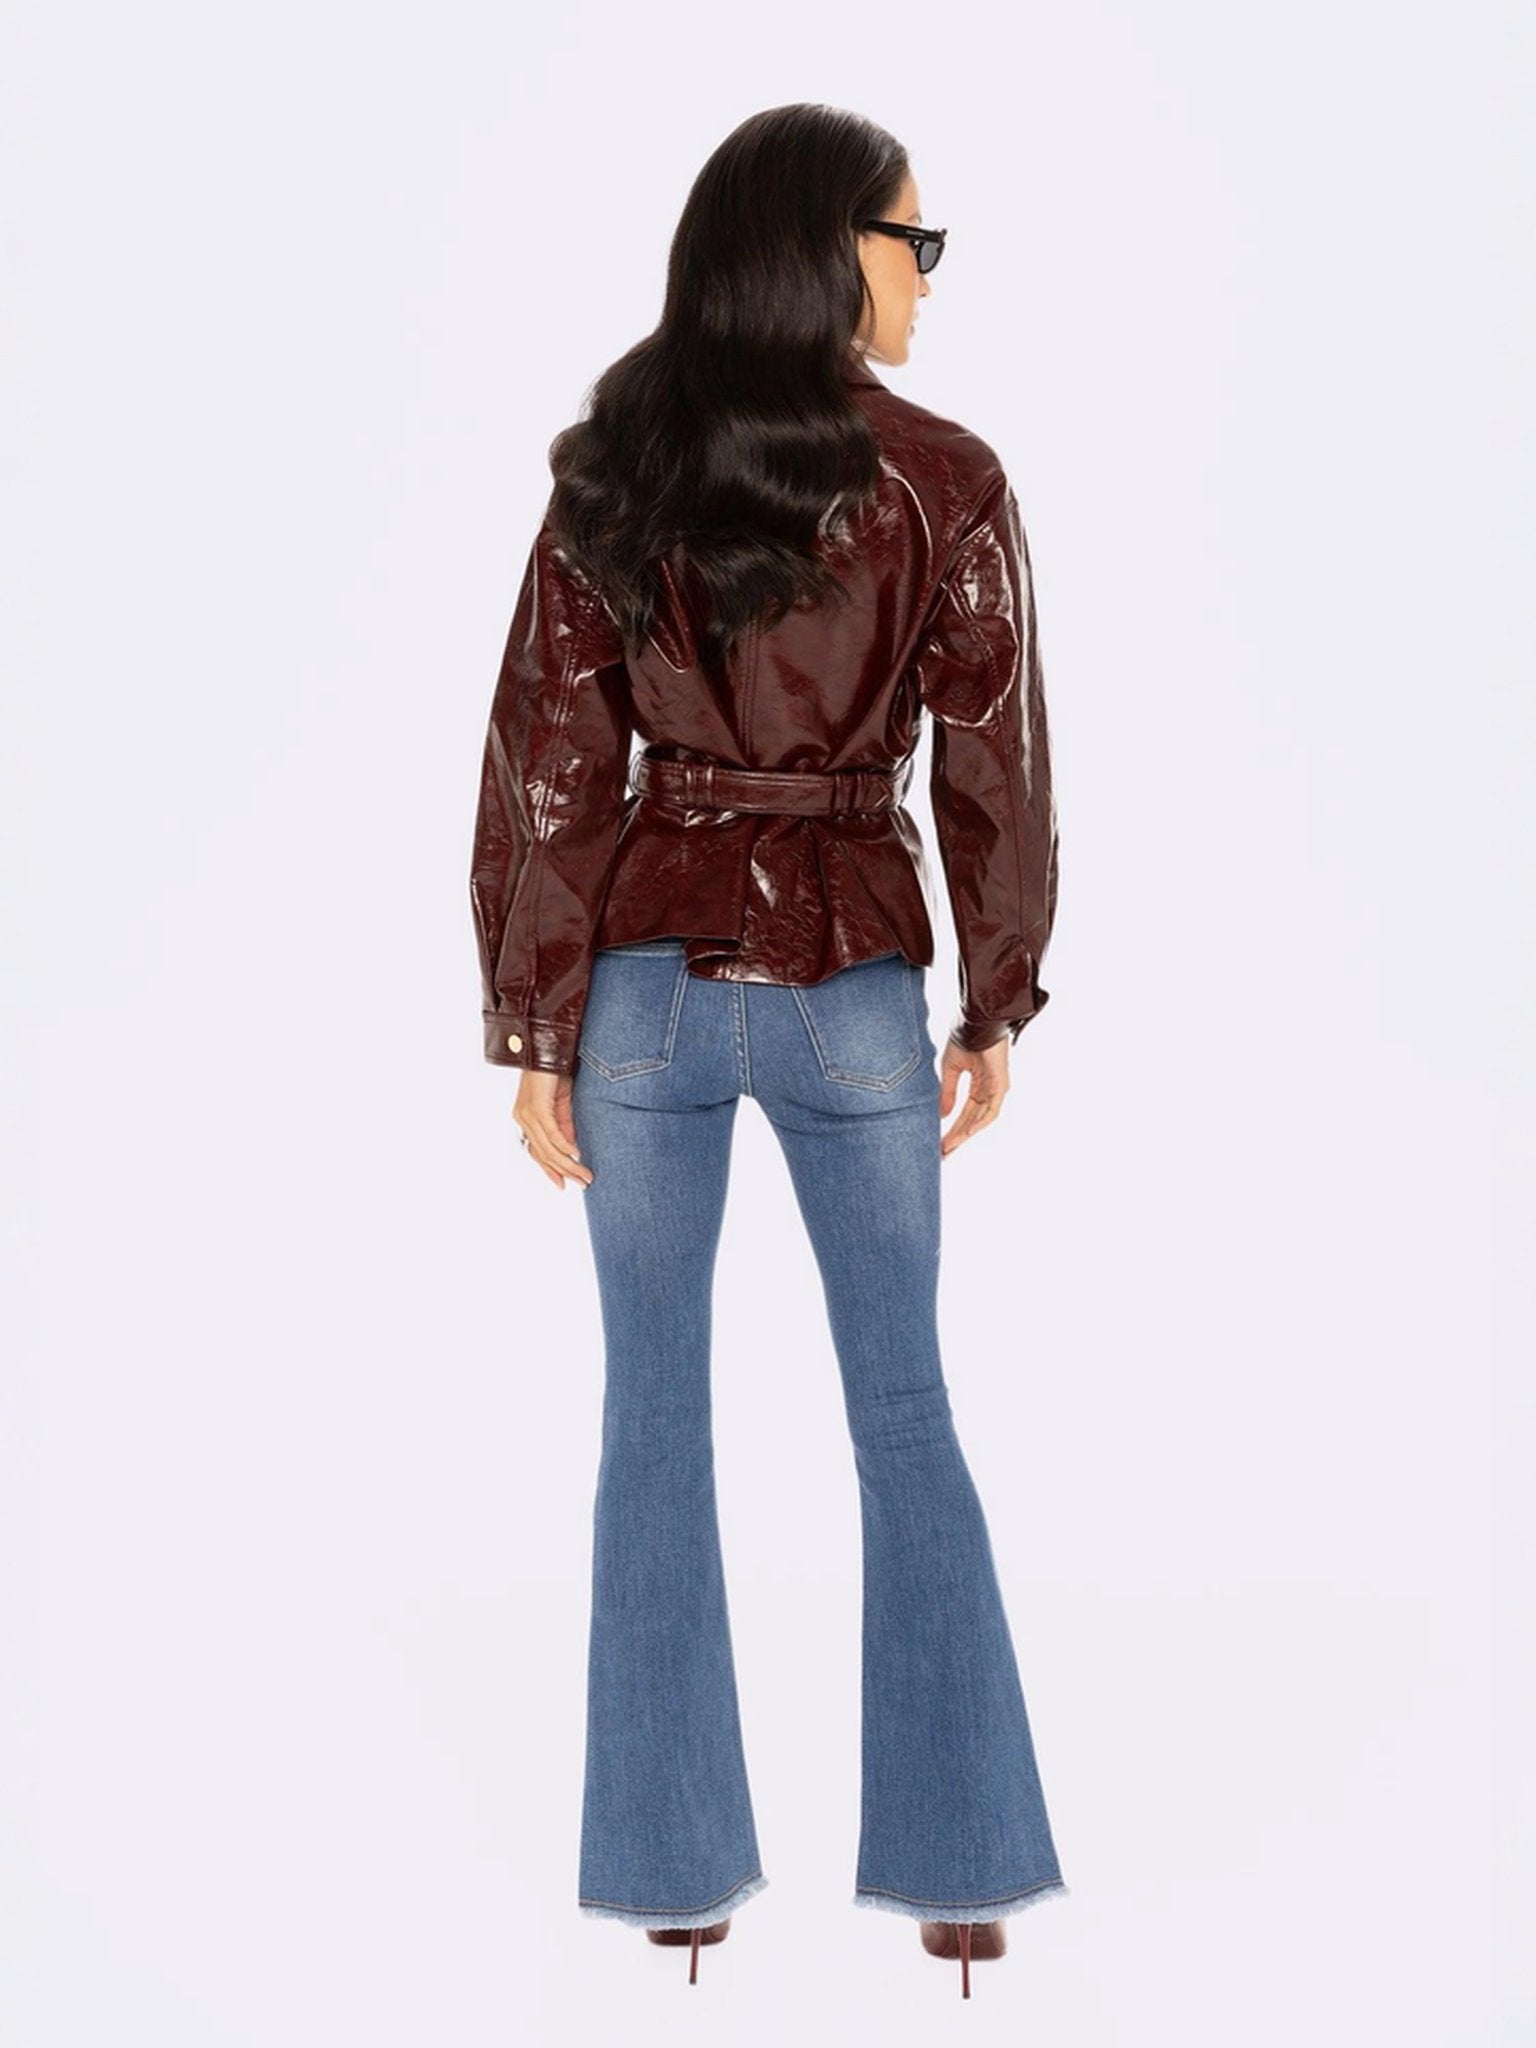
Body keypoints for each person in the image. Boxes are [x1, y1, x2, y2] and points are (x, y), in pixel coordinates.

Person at [469, 102, 1068, 1997]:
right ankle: (963, 1879)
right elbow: (995, 760)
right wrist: (997, 994)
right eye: (912, 242)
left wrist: (538, 1017)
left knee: (651, 1420)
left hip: (643, 983)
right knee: (906, 1414)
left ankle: (678, 1883)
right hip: (855, 982)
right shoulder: (946, 481)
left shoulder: (619, 463)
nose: (925, 278)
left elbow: (555, 750)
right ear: (829, 249)